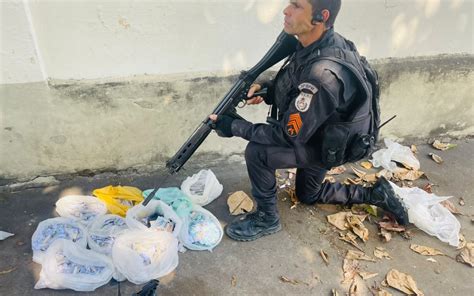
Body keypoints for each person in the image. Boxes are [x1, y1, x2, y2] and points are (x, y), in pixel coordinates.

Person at [209, 0, 408, 242]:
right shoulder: (320, 43)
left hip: (328, 145)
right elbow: (298, 84)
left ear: (321, 17)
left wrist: (234, 126)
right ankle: (374, 195)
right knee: (307, 195)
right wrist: (267, 89)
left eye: (296, 5)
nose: (286, 10)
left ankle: (266, 219)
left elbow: (286, 135)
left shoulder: (323, 75)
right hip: (323, 132)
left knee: (258, 152)